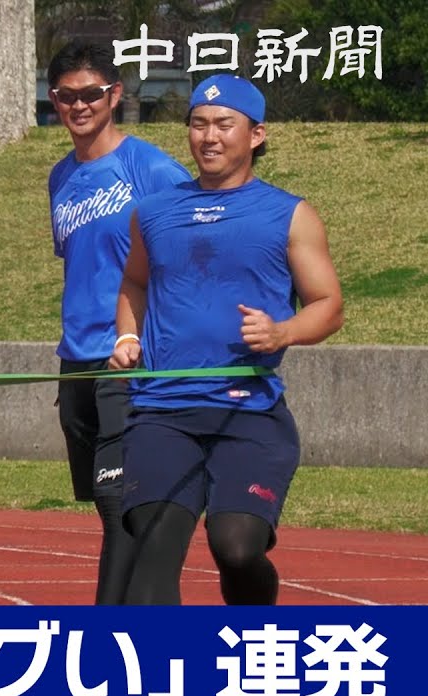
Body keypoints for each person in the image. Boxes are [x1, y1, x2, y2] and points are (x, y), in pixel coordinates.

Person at [110, 74, 344, 604]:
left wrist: (283, 331)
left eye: (223, 124)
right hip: (161, 412)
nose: (208, 137)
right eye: (198, 124)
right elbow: (134, 283)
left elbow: (329, 306)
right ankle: (159, 659)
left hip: (248, 412)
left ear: (256, 134)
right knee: (153, 544)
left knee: (237, 547)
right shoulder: (153, 213)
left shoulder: (290, 214)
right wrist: (127, 336)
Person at [44, 41, 191, 604]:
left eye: (91, 94)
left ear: (115, 95)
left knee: (121, 503)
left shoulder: (151, 169)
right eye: (66, 97)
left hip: (129, 359)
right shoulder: (60, 178)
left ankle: (114, 632)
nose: (79, 106)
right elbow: (81, 266)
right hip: (76, 362)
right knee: (116, 511)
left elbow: (190, 255)